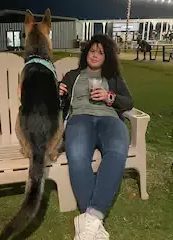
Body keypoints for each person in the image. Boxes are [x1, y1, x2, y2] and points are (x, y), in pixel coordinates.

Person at [59, 34, 133, 240]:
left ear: (106, 56)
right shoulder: (73, 75)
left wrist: (110, 97)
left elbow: (128, 102)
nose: (95, 55)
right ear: (86, 53)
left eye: (100, 52)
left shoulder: (114, 78)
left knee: (117, 152)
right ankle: (94, 222)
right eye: (92, 51)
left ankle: (88, 220)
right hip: (80, 118)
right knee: (77, 155)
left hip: (109, 120)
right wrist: (59, 92)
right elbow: (60, 101)